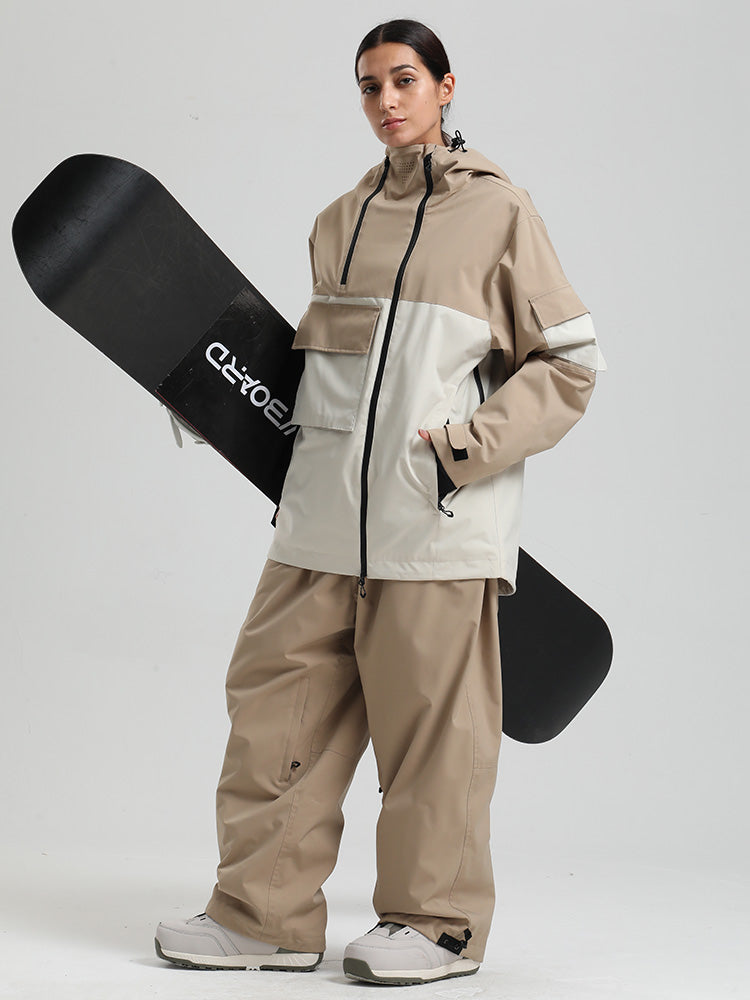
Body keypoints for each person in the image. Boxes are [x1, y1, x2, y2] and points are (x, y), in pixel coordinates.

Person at [154, 17, 606, 987]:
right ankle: (263, 917)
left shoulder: (500, 212)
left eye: (404, 80)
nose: (387, 101)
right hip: (317, 527)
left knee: (433, 743)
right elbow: (325, 371)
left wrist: (460, 453)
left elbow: (569, 365)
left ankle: (436, 927)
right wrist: (213, 402)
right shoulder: (336, 221)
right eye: (369, 86)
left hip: (433, 531)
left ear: (446, 87)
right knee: (273, 718)